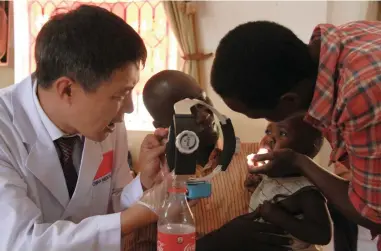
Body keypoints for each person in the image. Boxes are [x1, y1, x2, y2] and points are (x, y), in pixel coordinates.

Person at [0, 5, 168, 251]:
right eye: (121, 95)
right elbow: (19, 241)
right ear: (67, 89)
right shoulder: (6, 130)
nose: (129, 109)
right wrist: (137, 217)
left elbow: (111, 205)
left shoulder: (108, 123)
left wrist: (143, 183)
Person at [210, 20, 381, 249]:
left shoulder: (360, 95)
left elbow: (373, 213)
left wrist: (299, 162)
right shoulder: (345, 40)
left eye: (259, 115)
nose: (268, 132)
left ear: (289, 100)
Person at [125, 70, 292, 251]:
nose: (204, 113)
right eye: (187, 110)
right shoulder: (156, 183)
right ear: (162, 126)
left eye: (203, 100)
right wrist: (214, 243)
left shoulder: (259, 159)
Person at [247, 116, 331, 251]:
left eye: (283, 134)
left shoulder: (306, 190)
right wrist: (254, 187)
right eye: (268, 132)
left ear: (305, 149)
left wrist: (280, 217)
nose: (270, 139)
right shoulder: (272, 175)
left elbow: (323, 234)